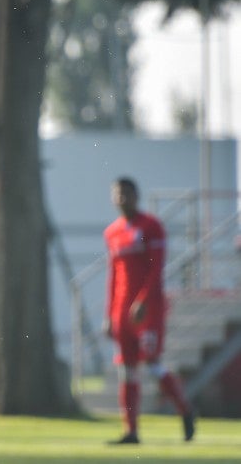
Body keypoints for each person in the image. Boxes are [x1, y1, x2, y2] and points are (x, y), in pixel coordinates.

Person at [103, 177, 196, 445]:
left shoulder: (151, 226)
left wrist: (143, 300)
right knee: (126, 369)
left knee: (153, 364)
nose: (122, 199)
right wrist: (109, 314)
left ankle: (185, 410)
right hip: (122, 310)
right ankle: (131, 431)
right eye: (117, 194)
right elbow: (113, 275)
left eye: (126, 193)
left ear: (136, 196)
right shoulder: (112, 232)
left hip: (149, 308)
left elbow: (157, 268)